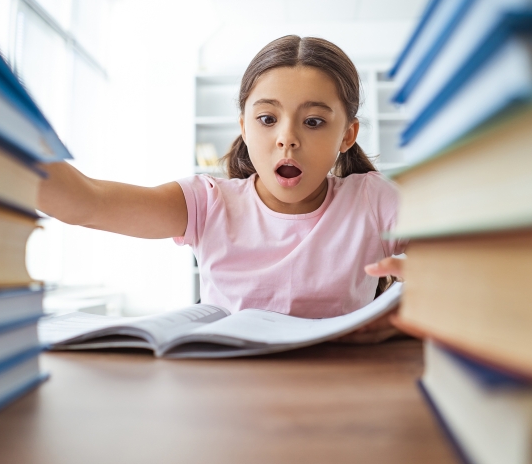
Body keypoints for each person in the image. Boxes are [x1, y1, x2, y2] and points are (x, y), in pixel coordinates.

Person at [39, 35, 406, 339]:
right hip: (227, 389)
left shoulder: (372, 200)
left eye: (313, 121)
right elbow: (85, 203)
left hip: (341, 387)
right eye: (267, 119)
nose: (287, 138)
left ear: (347, 135)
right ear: (244, 127)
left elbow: (443, 258)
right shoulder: (208, 203)